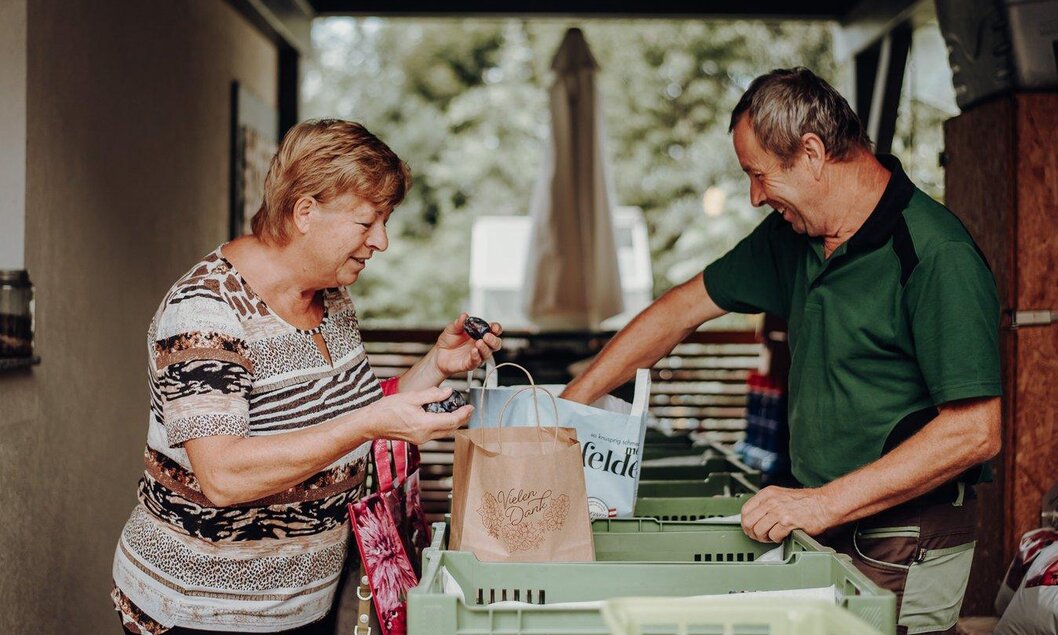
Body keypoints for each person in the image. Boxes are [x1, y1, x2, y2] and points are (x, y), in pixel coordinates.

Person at [561, 68, 1001, 635]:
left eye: (758, 174)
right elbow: (679, 311)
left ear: (812, 154)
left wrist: (820, 503)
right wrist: (566, 407)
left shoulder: (936, 253)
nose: (753, 197)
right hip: (826, 517)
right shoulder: (794, 236)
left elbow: (975, 431)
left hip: (906, 533)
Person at [110, 119, 502, 634]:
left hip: (303, 604)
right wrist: (368, 425)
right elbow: (223, 476)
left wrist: (436, 365)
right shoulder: (206, 312)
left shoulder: (330, 296)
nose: (381, 241)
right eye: (367, 223)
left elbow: (351, 411)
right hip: (204, 612)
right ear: (305, 213)